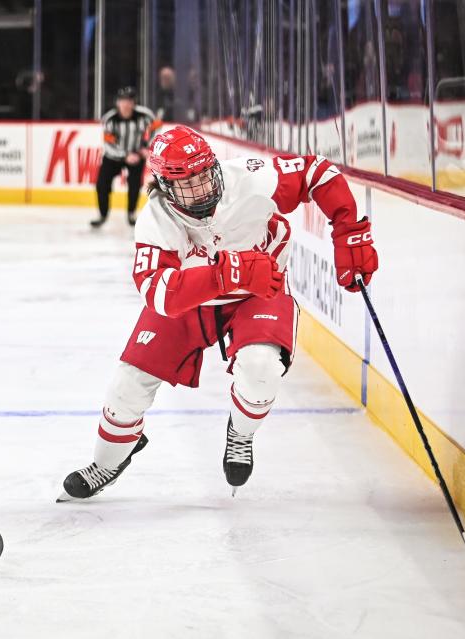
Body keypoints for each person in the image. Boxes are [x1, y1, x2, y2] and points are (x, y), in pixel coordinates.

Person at [59, 126, 379, 500]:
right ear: (164, 186)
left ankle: (240, 435)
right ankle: (109, 461)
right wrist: (226, 274)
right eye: (187, 184)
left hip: (260, 291)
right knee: (127, 386)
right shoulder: (155, 220)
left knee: (261, 369)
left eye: (204, 175)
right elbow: (157, 293)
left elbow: (318, 174)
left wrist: (349, 230)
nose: (202, 189)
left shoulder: (252, 177)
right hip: (190, 299)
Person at [91, 87, 158, 228]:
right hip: (113, 156)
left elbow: (156, 128)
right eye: (122, 101)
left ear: (134, 103)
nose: (125, 105)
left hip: (136, 154)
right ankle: (102, 215)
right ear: (117, 103)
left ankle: (131, 214)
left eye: (129, 101)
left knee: (134, 184)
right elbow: (108, 145)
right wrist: (125, 155)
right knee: (102, 184)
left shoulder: (145, 115)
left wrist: (146, 147)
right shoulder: (110, 119)